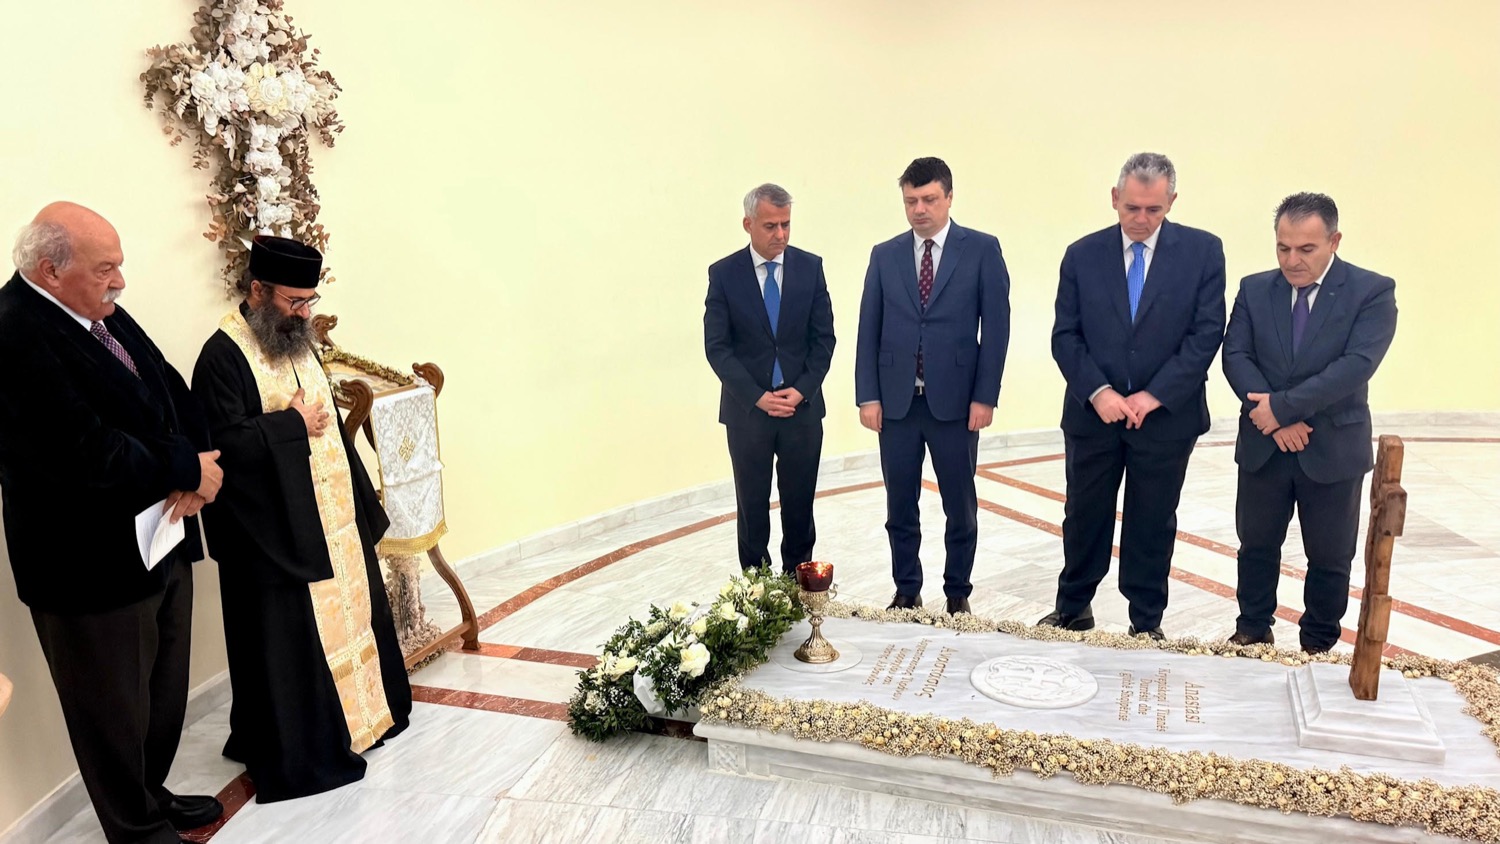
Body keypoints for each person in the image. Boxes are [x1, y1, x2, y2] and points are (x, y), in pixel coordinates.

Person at [0, 202, 224, 843]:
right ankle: (136, 829)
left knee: (159, 691)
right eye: (105, 268)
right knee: (111, 711)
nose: (119, 281)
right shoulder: (13, 332)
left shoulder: (95, 311)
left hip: (159, 537)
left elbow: (169, 388)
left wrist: (201, 462)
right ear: (50, 270)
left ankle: (151, 795)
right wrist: (186, 467)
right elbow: (82, 453)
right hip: (86, 567)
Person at [191, 235, 411, 802]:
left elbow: (328, 429)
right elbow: (219, 447)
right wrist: (289, 424)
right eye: (294, 301)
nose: (305, 313)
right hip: (273, 538)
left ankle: (365, 717)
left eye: (310, 300)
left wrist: (357, 509)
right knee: (288, 645)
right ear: (257, 290)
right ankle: (305, 747)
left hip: (332, 522)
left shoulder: (297, 340)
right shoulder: (222, 357)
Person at [1041, 152, 1226, 640]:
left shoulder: (1203, 252)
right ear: (1114, 198)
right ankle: (1072, 607)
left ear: (1172, 201)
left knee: (1152, 520)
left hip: (1166, 419)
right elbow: (1066, 336)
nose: (1141, 220)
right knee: (1084, 514)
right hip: (1093, 415)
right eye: (1132, 208)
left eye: (1153, 210)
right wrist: (1099, 392)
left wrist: (1155, 395)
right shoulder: (1082, 255)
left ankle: (1146, 621)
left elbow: (1206, 334)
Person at [1222, 192, 1397, 653]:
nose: (1291, 260)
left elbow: (1355, 366)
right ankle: (1252, 628)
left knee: (1330, 554)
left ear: (1334, 241)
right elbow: (1235, 355)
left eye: (1306, 249)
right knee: (1256, 544)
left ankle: (1318, 642)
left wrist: (1282, 409)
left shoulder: (1371, 292)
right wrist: (1275, 422)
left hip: (1331, 447)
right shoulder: (1254, 289)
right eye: (1283, 248)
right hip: (1264, 444)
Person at [854, 157, 1011, 615]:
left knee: (960, 507)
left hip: (956, 404)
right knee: (900, 505)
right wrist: (868, 395)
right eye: (911, 201)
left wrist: (985, 396)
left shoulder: (981, 249)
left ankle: (957, 591)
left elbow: (996, 329)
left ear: (949, 197)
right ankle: (907, 589)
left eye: (928, 199)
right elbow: (868, 328)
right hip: (897, 404)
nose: (919, 209)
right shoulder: (884, 255)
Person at [704, 184, 836, 573]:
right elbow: (717, 347)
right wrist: (757, 396)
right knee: (752, 508)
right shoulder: (724, 275)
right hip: (749, 414)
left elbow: (824, 340)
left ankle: (799, 586)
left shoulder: (810, 268)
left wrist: (803, 389)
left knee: (799, 507)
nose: (780, 234)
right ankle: (757, 590)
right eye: (770, 226)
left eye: (786, 224)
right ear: (748, 224)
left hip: (801, 411)